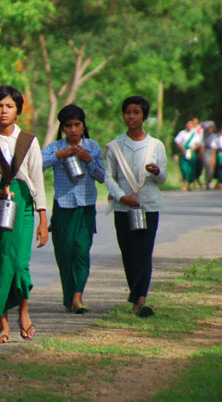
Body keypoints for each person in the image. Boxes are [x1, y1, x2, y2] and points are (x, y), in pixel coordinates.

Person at [0, 85, 48, 343]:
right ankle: (3, 324)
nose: (3, 111)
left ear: (18, 111)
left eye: (9, 106)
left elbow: (37, 179)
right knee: (0, 262)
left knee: (19, 263)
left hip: (24, 204)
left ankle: (24, 312)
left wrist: (43, 218)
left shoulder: (29, 141)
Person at [105, 96, 167, 317]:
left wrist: (156, 171)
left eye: (136, 112)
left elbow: (163, 178)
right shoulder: (115, 146)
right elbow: (109, 177)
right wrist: (121, 197)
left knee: (144, 251)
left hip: (148, 206)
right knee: (129, 252)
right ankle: (136, 296)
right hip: (124, 208)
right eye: (127, 112)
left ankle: (140, 299)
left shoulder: (156, 145)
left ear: (144, 116)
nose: (131, 116)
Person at [42, 105, 104, 314]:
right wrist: (59, 155)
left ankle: (78, 295)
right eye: (68, 126)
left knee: (81, 250)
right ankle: (69, 297)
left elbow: (103, 177)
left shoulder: (93, 147)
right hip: (63, 206)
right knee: (65, 252)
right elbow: (37, 165)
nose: (73, 129)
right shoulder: (55, 147)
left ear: (83, 125)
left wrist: (88, 160)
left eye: (77, 124)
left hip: (86, 206)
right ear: (63, 128)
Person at [174, 118, 200, 191]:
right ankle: (185, 182)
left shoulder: (195, 134)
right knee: (184, 168)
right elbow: (177, 142)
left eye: (190, 124)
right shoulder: (182, 133)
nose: (189, 125)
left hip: (191, 151)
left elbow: (197, 144)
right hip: (184, 151)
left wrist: (192, 150)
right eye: (188, 124)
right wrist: (182, 149)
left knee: (191, 168)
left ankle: (189, 184)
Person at [202, 121, 218, 189]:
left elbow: (214, 147)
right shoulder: (205, 136)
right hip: (206, 151)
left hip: (212, 151)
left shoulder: (214, 136)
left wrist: (213, 158)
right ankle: (207, 182)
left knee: (211, 168)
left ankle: (208, 181)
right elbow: (202, 146)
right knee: (207, 167)